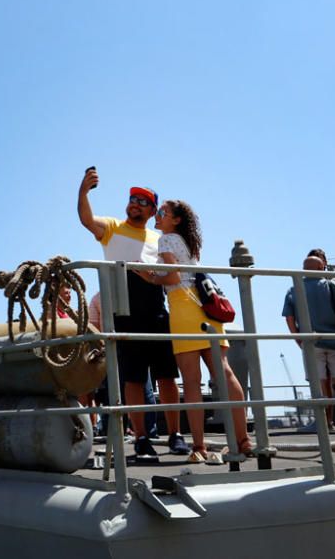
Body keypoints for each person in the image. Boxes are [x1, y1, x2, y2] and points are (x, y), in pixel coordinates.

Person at [77, 168, 187, 459]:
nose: (135, 203)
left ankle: (175, 434)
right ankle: (140, 438)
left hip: (155, 309)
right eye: (132, 199)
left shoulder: (157, 238)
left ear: (152, 211)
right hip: (123, 312)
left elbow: (173, 272)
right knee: (134, 379)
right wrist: (84, 192)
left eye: (143, 201)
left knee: (166, 376)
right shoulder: (112, 227)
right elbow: (87, 220)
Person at [136, 200, 251, 463]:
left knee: (191, 381)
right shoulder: (189, 242)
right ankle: (244, 440)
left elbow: (174, 277)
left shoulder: (166, 240)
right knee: (224, 372)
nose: (158, 214)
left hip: (183, 307)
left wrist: (150, 276)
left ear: (175, 219)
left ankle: (198, 447)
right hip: (206, 308)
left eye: (162, 212)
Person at [283, 255, 335, 433]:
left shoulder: (295, 289)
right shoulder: (333, 285)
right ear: (322, 268)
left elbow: (290, 318)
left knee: (320, 383)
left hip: (311, 342)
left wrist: (298, 339)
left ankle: (324, 423)